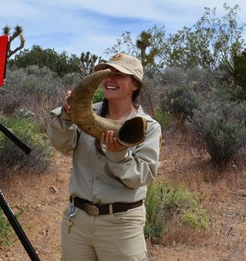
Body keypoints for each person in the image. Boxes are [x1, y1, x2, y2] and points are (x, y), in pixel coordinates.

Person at [47, 53, 162, 261]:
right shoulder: (85, 114)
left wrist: (118, 155)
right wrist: (66, 117)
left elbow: (141, 176)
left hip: (121, 225)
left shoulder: (146, 127)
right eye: (107, 74)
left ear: (135, 84)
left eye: (119, 75)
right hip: (78, 220)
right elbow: (61, 145)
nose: (109, 79)